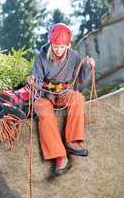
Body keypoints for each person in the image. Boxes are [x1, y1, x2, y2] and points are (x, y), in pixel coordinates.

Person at [27, 23, 95, 176]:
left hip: (64, 93)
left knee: (77, 98)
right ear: (50, 43)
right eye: (55, 46)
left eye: (62, 47)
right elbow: (37, 81)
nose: (58, 50)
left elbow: (80, 82)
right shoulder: (42, 56)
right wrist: (33, 82)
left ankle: (73, 141)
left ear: (68, 45)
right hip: (45, 96)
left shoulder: (75, 56)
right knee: (43, 112)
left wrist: (88, 67)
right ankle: (59, 156)